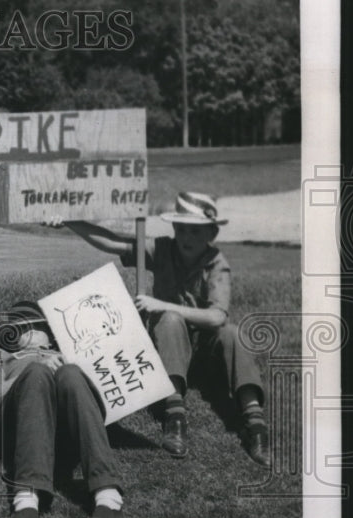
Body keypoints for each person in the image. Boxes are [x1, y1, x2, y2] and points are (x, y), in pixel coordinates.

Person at [48, 191, 270, 466]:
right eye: (182, 230)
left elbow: (216, 318)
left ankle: (254, 421)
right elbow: (112, 242)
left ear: (211, 234)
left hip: (203, 351)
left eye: (196, 232)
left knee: (232, 333)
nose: (187, 238)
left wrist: (158, 303)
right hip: (167, 346)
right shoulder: (163, 249)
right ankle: (174, 413)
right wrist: (70, 221)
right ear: (174, 230)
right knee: (169, 320)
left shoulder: (217, 263)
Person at [0, 300, 125, 518]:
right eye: (20, 328)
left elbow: (106, 394)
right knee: (37, 374)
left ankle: (108, 497)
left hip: (68, 427)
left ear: (49, 332)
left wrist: (72, 365)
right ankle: (26, 501)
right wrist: (34, 370)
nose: (29, 333)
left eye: (36, 326)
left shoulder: (70, 351)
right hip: (23, 425)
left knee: (69, 373)